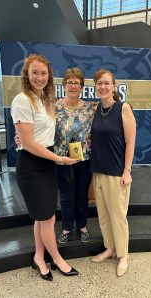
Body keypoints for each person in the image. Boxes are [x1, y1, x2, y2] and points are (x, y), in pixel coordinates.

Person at [11, 54, 79, 281]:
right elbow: (29, 143)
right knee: (48, 219)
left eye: (43, 73)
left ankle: (39, 257)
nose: (39, 77)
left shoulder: (44, 100)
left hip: (47, 163)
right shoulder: (22, 100)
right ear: (27, 75)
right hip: (31, 167)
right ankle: (58, 259)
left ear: (49, 76)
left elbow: (40, 134)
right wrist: (59, 159)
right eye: (35, 73)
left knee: (42, 218)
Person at [90, 69, 136, 277]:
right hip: (98, 171)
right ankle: (109, 248)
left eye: (107, 83)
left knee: (118, 216)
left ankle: (123, 255)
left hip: (117, 173)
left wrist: (127, 171)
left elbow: (130, 142)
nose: (103, 86)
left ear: (114, 86)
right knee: (104, 215)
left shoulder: (123, 108)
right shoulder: (96, 109)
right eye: (99, 83)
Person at [55, 68, 95, 244]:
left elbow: (97, 132)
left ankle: (82, 226)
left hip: (84, 158)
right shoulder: (54, 107)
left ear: (81, 87)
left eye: (76, 83)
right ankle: (66, 226)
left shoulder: (89, 108)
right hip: (62, 158)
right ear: (64, 85)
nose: (73, 86)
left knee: (81, 194)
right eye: (69, 82)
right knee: (65, 194)